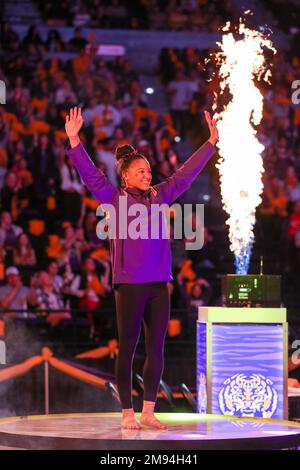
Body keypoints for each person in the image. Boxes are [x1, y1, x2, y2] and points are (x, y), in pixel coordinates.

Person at [64, 106, 218, 430]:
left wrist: (211, 142)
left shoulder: (160, 196)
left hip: (159, 283)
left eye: (149, 171)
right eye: (141, 172)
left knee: (156, 349)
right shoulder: (114, 197)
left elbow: (185, 175)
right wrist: (75, 140)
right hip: (129, 284)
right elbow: (90, 174)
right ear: (126, 175)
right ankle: (127, 413)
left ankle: (149, 411)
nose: (148, 175)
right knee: (129, 348)